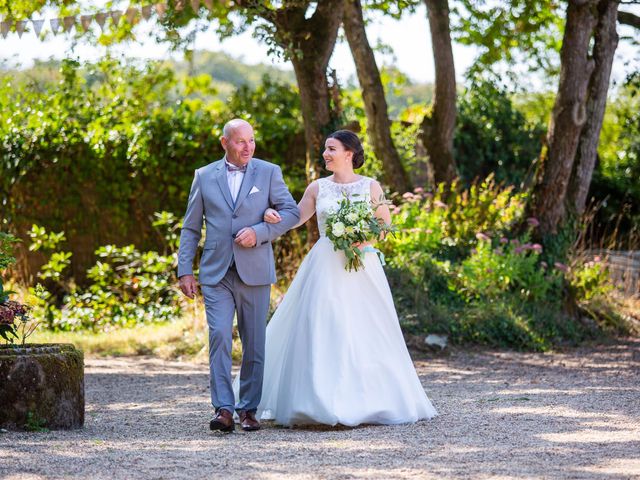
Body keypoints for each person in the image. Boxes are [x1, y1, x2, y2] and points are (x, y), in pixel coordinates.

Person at [236, 129, 437, 427]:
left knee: (365, 328)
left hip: (362, 267)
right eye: (325, 150)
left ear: (349, 153)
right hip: (325, 265)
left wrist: (362, 238)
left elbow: (384, 226)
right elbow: (295, 218)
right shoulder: (318, 188)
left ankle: (370, 401)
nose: (325, 154)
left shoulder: (371, 186)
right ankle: (317, 401)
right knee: (323, 324)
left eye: (331, 149)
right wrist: (270, 215)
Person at [178, 119, 299, 433]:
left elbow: (291, 213)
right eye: (240, 141)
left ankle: (249, 410)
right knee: (218, 336)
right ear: (224, 143)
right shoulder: (203, 176)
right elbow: (191, 228)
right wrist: (185, 270)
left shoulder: (269, 172)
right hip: (216, 273)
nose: (248, 147)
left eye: (252, 140)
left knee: (254, 344)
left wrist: (260, 232)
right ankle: (223, 410)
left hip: (255, 271)